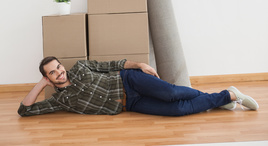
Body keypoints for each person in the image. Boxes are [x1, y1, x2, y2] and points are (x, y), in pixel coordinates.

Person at [18, 57, 259, 117]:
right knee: (175, 111)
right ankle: (226, 97)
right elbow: (25, 110)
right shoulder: (60, 100)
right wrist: (41, 83)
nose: (60, 72)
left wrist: (140, 64)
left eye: (58, 67)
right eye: (52, 73)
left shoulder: (80, 67)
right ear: (49, 78)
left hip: (129, 80)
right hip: (129, 104)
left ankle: (228, 95)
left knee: (173, 93)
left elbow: (112, 64)